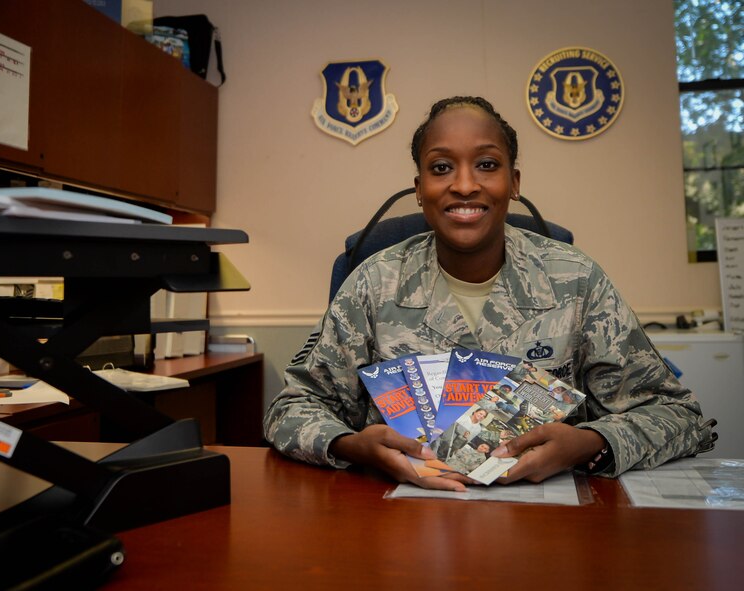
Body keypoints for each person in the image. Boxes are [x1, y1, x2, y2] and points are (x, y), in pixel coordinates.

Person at [263, 95, 716, 492]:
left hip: (549, 522)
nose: (464, 184)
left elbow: (679, 416)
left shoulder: (576, 281)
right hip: (401, 520)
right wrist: (353, 446)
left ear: (514, 183)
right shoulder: (372, 282)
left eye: (487, 164)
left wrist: (590, 444)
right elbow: (290, 409)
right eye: (441, 168)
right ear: (420, 191)